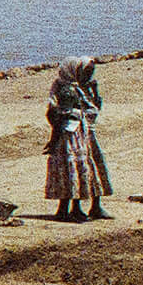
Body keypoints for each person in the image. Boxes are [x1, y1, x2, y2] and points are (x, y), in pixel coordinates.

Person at [43, 57, 112, 221]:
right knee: (73, 169)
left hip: (85, 133)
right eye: (86, 73)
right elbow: (57, 115)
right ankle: (69, 209)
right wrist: (54, 139)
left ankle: (92, 207)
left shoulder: (84, 88)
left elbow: (94, 109)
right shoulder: (67, 90)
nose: (89, 76)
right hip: (71, 136)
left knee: (91, 167)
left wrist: (95, 91)